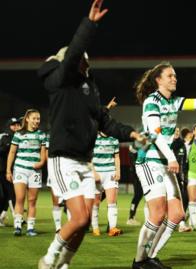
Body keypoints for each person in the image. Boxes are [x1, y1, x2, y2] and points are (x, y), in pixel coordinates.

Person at [37, 1, 145, 268]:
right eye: (81, 59)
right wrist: (90, 25)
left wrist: (131, 133)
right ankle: (49, 259)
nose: (86, 62)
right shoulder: (61, 82)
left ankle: (64, 264)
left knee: (83, 223)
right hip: (64, 158)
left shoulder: (89, 91)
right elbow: (73, 54)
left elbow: (105, 122)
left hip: (85, 160)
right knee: (80, 218)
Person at [133, 58, 196, 268]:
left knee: (178, 214)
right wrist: (171, 157)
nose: (175, 78)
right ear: (158, 79)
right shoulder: (152, 101)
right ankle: (139, 261)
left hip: (164, 160)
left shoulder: (174, 101)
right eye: (170, 75)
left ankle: (150, 256)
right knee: (158, 212)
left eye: (175, 75)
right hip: (150, 160)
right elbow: (154, 133)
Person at [6, 109, 47, 236]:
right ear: (27, 119)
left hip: (34, 171)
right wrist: (8, 170)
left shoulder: (42, 135)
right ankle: (18, 226)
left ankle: (30, 228)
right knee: (19, 198)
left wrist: (41, 163)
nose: (36, 121)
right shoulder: (18, 134)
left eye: (38, 119)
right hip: (20, 169)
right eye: (34, 118)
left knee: (32, 200)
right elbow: (12, 152)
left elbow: (43, 154)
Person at [90, 131, 121, 236]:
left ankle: (112, 228)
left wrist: (118, 171)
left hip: (110, 173)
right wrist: (93, 173)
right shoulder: (93, 137)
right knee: (96, 202)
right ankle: (95, 228)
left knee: (112, 202)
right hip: (97, 173)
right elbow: (88, 157)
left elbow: (116, 157)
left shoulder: (114, 139)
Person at [0, 117, 21, 226]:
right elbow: (3, 150)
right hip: (3, 170)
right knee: (11, 194)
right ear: (9, 126)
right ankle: (17, 218)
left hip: (13, 169)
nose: (16, 127)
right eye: (14, 125)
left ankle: (2, 216)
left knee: (6, 196)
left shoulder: (19, 137)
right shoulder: (4, 136)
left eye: (18, 124)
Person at [171, 127, 192, 232]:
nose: (177, 133)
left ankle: (182, 223)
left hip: (179, 177)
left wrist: (183, 176)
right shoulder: (166, 144)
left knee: (184, 197)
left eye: (178, 132)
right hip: (167, 176)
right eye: (175, 131)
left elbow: (183, 162)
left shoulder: (181, 144)